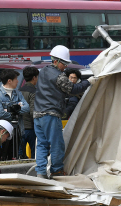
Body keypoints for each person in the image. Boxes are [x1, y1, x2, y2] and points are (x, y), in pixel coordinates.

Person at [34, 45, 92, 179]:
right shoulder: (58, 76)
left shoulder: (43, 71)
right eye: (64, 64)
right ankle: (57, 171)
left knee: (42, 144)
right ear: (57, 61)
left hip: (37, 114)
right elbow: (72, 89)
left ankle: (41, 172)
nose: (65, 67)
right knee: (56, 144)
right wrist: (88, 82)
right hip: (51, 114)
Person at [0, 69, 30, 160]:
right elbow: (0, 114)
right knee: (2, 157)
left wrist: (9, 110)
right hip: (2, 132)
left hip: (17, 129)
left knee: (14, 156)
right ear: (9, 81)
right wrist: (17, 109)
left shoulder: (18, 93)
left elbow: (27, 108)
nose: (17, 81)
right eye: (16, 79)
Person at [19, 66, 38, 159]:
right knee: (35, 156)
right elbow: (33, 111)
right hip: (31, 128)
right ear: (34, 77)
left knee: (20, 156)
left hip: (20, 128)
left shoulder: (18, 91)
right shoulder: (34, 92)